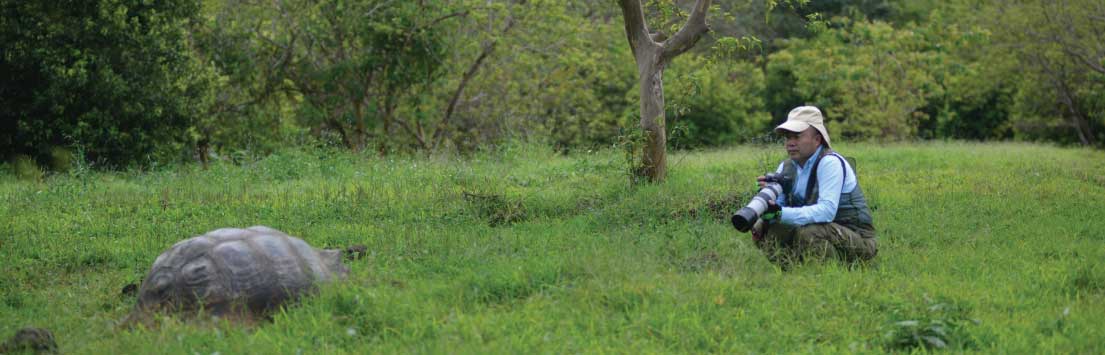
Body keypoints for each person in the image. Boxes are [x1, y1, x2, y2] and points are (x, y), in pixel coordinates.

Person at [750, 106, 877, 266]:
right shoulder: (786, 166)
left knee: (810, 232)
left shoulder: (830, 162)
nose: (790, 143)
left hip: (857, 238)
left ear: (817, 140)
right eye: (788, 137)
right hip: (820, 230)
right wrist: (768, 208)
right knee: (763, 227)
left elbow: (826, 212)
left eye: (797, 136)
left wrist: (780, 213)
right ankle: (792, 273)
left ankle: (832, 272)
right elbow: (779, 210)